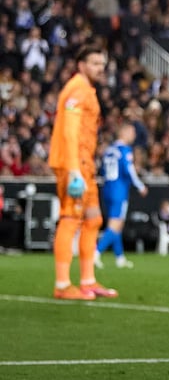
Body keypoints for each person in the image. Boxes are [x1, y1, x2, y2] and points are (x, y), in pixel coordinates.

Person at [48, 43, 118, 300]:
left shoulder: (87, 89)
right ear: (81, 65)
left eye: (102, 63)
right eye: (95, 63)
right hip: (73, 164)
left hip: (84, 164)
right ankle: (63, 284)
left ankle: (87, 281)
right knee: (70, 218)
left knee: (93, 219)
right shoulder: (77, 89)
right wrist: (74, 170)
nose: (100, 68)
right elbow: (69, 130)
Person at [96, 123, 148, 269]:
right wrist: (140, 186)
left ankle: (120, 257)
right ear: (123, 133)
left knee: (117, 225)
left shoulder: (109, 150)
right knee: (115, 225)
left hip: (107, 188)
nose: (134, 135)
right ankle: (96, 252)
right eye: (131, 132)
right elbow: (129, 171)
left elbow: (102, 170)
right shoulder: (125, 150)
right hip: (119, 190)